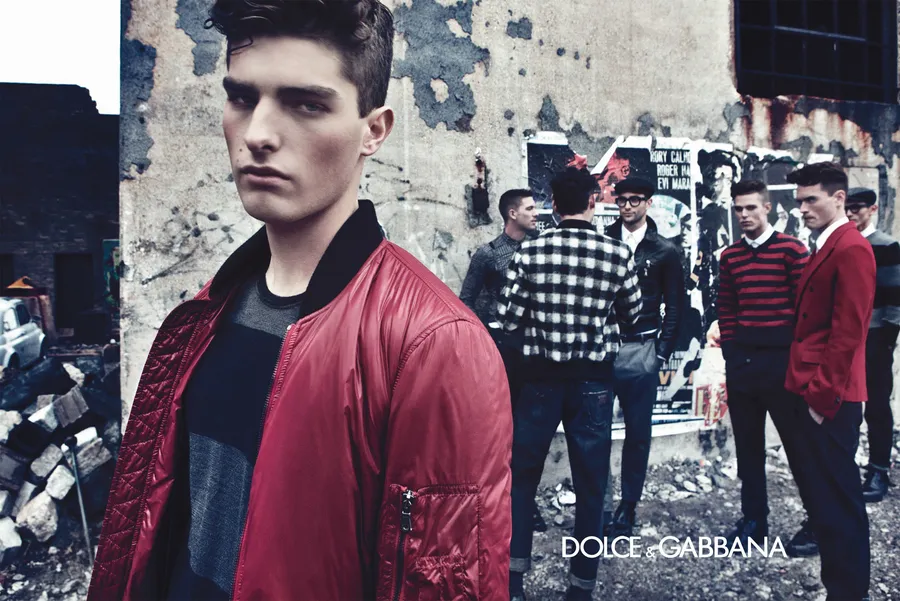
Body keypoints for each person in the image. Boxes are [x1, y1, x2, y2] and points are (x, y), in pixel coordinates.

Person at [87, 2, 512, 600]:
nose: (258, 134)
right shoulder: (203, 315)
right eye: (242, 98)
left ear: (373, 130)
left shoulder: (435, 344)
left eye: (306, 104)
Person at [498, 166, 642, 601]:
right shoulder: (617, 253)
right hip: (593, 382)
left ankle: (513, 582)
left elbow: (508, 318)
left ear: (554, 206)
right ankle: (581, 585)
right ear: (593, 203)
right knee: (592, 486)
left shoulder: (530, 251)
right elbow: (633, 314)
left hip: (539, 379)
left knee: (522, 480)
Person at [785, 162, 875, 601]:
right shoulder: (827, 242)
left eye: (811, 200)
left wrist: (822, 398)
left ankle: (849, 592)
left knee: (839, 502)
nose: (802, 208)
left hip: (830, 395)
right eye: (799, 201)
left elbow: (848, 333)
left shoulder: (851, 247)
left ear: (839, 199)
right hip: (813, 387)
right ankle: (839, 587)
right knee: (824, 498)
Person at [712, 179, 816, 555]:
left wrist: (795, 361)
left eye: (751, 207)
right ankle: (755, 521)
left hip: (782, 364)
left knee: (799, 446)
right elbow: (726, 307)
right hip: (744, 365)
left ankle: (818, 521)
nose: (744, 215)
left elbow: (806, 310)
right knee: (748, 447)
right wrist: (732, 353)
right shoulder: (730, 257)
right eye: (738, 209)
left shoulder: (792, 250)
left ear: (767, 208)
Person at [460, 188, 548, 532]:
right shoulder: (488, 254)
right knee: (502, 429)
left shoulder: (542, 248)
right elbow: (466, 301)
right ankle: (503, 504)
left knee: (532, 431)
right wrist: (484, 341)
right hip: (503, 354)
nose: (536, 214)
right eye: (529, 208)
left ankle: (527, 502)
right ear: (512, 214)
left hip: (537, 352)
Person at [602, 176, 683, 536]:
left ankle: (628, 506)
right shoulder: (603, 240)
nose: (627, 206)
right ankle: (600, 504)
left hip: (643, 347)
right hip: (604, 348)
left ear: (649, 203)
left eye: (635, 199)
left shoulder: (665, 250)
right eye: (621, 200)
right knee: (596, 431)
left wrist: (661, 354)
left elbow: (675, 306)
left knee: (637, 432)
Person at [845, 186, 899, 502]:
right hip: (844, 339)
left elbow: (895, 297)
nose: (851, 213)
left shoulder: (886, 245)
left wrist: (886, 340)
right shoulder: (840, 243)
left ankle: (878, 472)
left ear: (872, 210)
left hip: (875, 337)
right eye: (847, 208)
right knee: (845, 406)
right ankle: (844, 470)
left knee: (877, 405)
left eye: (858, 208)